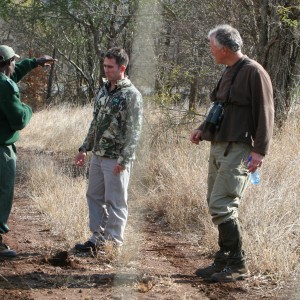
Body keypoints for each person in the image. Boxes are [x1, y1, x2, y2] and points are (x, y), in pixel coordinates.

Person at [190, 25, 274, 282]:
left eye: (212, 47)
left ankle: (238, 264)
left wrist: (259, 151)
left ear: (224, 49)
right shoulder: (229, 71)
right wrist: (203, 129)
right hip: (219, 144)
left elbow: (266, 112)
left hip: (239, 148)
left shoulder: (253, 72)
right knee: (214, 203)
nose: (211, 52)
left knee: (222, 204)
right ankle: (223, 260)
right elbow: (221, 107)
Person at [74, 47, 143, 254]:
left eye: (110, 67)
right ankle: (97, 238)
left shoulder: (131, 95)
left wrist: (125, 158)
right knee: (93, 195)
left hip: (117, 157)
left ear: (122, 67)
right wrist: (84, 148)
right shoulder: (103, 90)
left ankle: (114, 244)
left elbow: (135, 130)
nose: (106, 70)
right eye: (104, 66)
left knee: (115, 201)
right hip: (98, 154)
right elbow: (95, 122)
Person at [0, 45, 56, 257]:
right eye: (13, 61)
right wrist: (29, 109)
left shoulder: (4, 81)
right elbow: (19, 119)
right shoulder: (5, 87)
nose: (16, 64)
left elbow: (13, 74)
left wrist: (34, 62)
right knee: (2, 193)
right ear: (7, 64)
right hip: (2, 149)